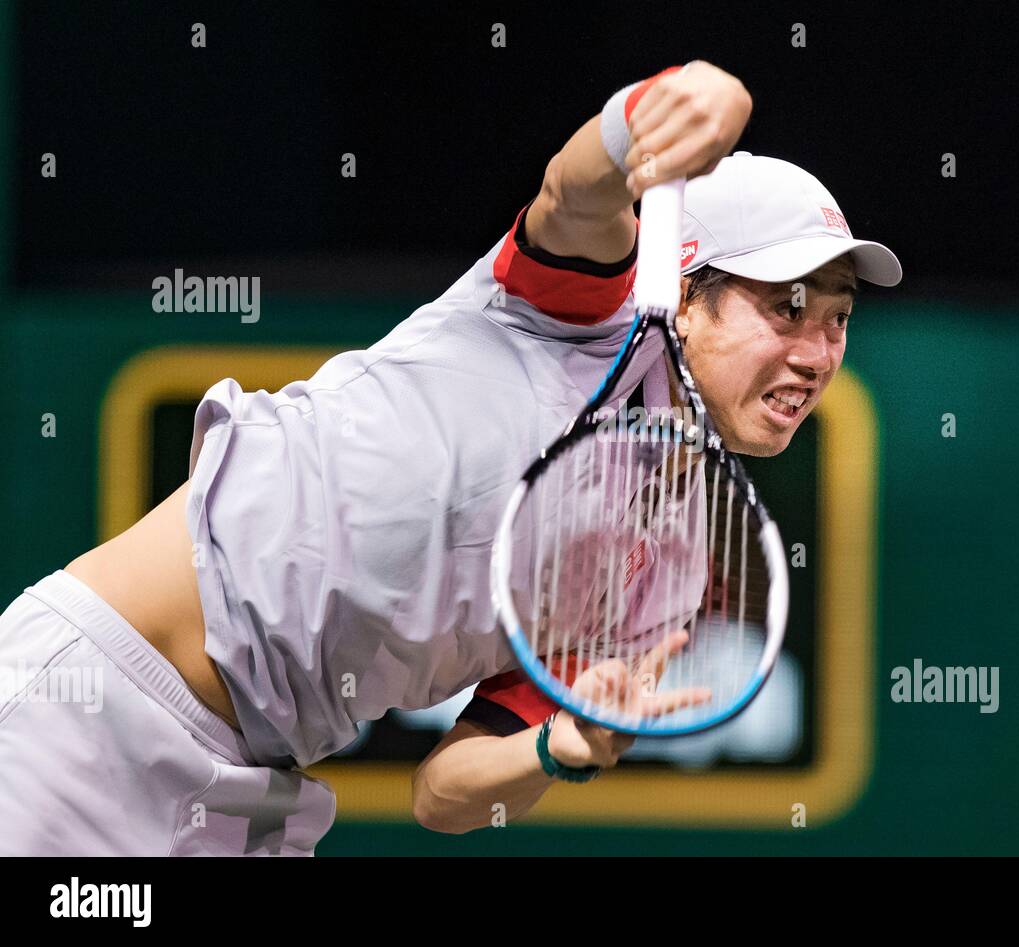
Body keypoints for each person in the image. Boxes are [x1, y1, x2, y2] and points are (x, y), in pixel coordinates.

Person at [0, 61, 899, 854]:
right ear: (686, 290)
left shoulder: (664, 572)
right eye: (786, 305)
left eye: (838, 316)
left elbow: (445, 794)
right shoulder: (577, 315)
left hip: (249, 788)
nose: (819, 351)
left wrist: (558, 749)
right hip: (87, 708)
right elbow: (574, 192)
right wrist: (651, 110)